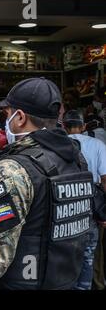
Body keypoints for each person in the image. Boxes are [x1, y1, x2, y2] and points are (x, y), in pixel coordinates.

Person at [0, 77, 94, 290]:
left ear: (19, 117)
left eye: (7, 114)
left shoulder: (12, 170)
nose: (5, 121)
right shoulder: (76, 160)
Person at [63, 110, 106, 290]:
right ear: (84, 126)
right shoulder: (98, 144)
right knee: (90, 255)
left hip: (66, 206)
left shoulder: (60, 144)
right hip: (93, 207)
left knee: (67, 254)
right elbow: (104, 179)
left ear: (64, 127)